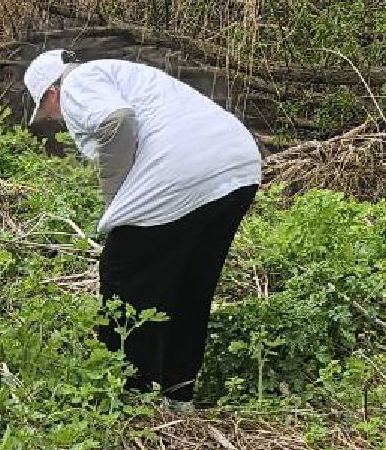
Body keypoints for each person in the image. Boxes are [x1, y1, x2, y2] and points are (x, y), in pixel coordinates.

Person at [23, 49, 261, 408]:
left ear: (50, 93)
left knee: (124, 276)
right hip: (237, 167)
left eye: (49, 111)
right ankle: (178, 393)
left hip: (184, 173)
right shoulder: (125, 74)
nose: (55, 119)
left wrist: (114, 195)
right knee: (190, 286)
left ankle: (133, 398)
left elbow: (117, 121)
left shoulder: (76, 82)